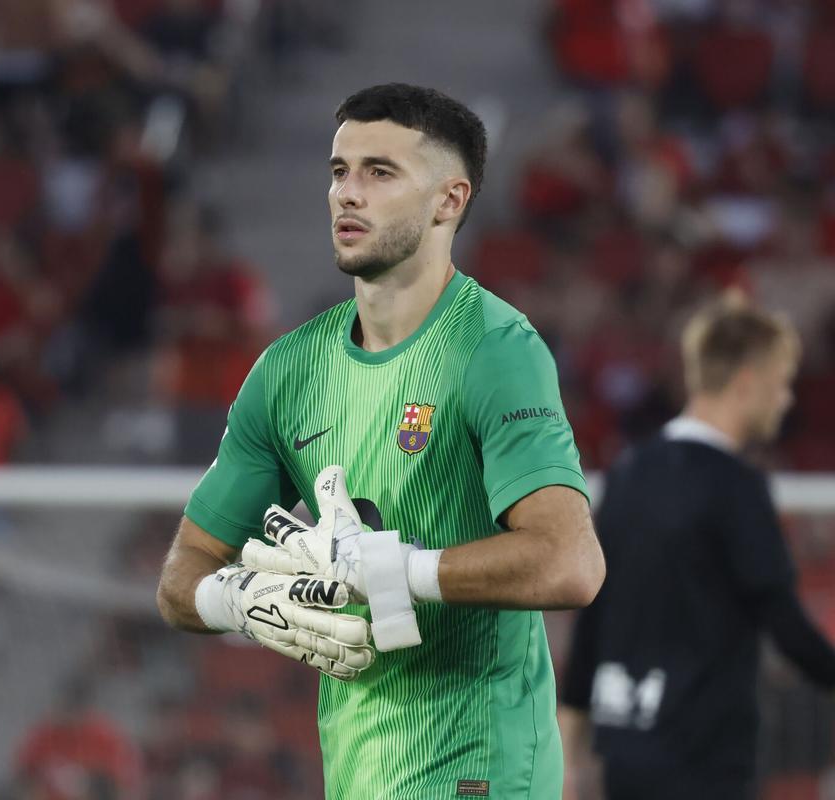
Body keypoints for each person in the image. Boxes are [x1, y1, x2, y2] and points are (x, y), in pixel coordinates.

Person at [156, 82, 606, 799]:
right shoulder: (288, 371)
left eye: (380, 173)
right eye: (340, 171)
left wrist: (396, 573)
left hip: (479, 767)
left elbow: (571, 562)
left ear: (449, 201)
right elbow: (181, 576)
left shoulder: (495, 348)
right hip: (358, 772)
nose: (348, 194)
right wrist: (240, 601)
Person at [559, 294, 835, 800]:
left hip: (625, 749)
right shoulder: (736, 486)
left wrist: (569, 741)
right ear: (747, 381)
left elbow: (593, 614)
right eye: (780, 385)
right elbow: (782, 617)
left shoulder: (626, 474)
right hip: (704, 755)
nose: (786, 400)